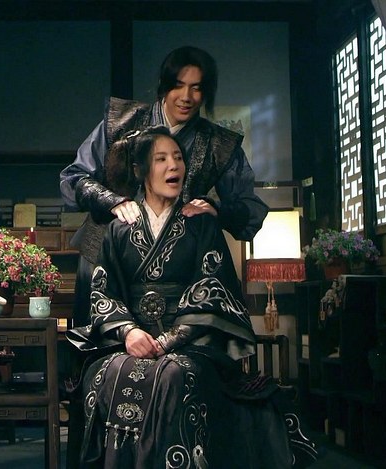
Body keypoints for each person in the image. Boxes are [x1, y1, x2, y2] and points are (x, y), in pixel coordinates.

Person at [67, 127, 317, 468]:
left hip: (192, 343)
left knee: (174, 375)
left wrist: (168, 340)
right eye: (161, 159)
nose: (174, 166)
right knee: (107, 373)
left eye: (178, 158)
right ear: (140, 171)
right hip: (132, 340)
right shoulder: (118, 228)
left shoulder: (201, 224)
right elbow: (103, 290)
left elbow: (211, 290)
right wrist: (129, 332)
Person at [60, 45, 269, 327]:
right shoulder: (120, 122)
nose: (186, 97)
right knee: (102, 340)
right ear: (163, 85)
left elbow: (250, 209)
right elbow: (73, 177)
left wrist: (215, 208)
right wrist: (113, 202)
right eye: (178, 85)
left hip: (177, 270)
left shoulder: (218, 143)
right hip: (106, 257)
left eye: (196, 88)